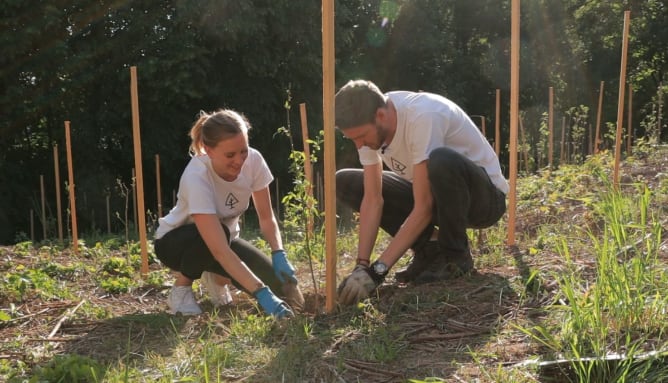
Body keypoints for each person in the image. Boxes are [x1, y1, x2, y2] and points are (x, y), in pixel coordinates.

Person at [334, 80, 508, 305]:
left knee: (441, 161)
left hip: (483, 201)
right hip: (438, 198)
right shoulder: (370, 128)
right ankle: (430, 249)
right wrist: (362, 266)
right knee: (346, 182)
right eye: (353, 139)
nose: (359, 146)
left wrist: (378, 271)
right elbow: (372, 199)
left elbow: (423, 207)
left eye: (361, 137)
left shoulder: (423, 116)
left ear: (380, 116)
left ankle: (456, 256)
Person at [154, 109, 304, 318]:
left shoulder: (254, 161)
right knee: (222, 238)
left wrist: (279, 253)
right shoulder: (197, 176)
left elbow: (266, 217)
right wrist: (261, 292)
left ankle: (215, 278)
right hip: (175, 244)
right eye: (230, 155)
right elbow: (220, 250)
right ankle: (181, 290)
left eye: (243, 150)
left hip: (223, 241)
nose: (239, 160)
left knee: (279, 285)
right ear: (209, 150)